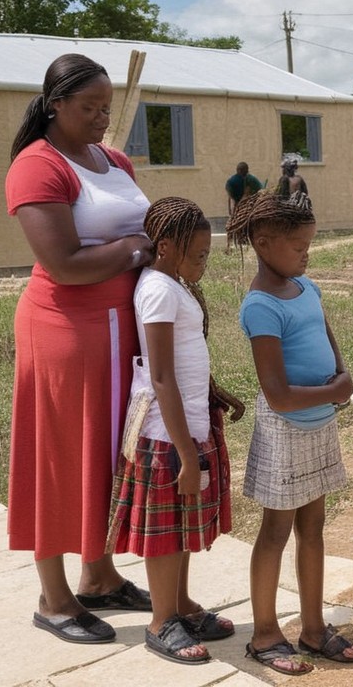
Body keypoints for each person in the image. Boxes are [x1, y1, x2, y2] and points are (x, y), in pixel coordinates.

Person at [6, 53, 154, 644]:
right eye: (89, 108)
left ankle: (99, 575)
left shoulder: (112, 160)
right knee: (60, 454)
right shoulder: (36, 166)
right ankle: (54, 595)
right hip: (65, 331)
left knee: (110, 449)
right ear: (56, 104)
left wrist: (141, 250)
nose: (101, 119)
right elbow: (63, 264)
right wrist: (139, 246)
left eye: (106, 108)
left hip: (123, 327)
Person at [227, 192, 353, 675]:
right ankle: (264, 635)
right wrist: (334, 391)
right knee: (275, 531)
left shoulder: (307, 288)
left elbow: (330, 344)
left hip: (320, 427)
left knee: (313, 529)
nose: (306, 254)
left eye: (309, 245)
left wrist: (342, 381)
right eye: (298, 246)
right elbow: (279, 395)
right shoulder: (260, 307)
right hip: (284, 432)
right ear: (263, 243)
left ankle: (311, 628)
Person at [107, 197, 239, 664]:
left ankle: (181, 604)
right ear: (165, 247)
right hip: (167, 434)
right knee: (165, 534)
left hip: (187, 424)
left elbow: (185, 360)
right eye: (198, 254)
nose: (204, 262)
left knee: (183, 524)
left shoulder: (172, 284)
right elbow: (161, 374)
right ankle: (162, 620)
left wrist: (213, 390)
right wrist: (185, 454)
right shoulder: (158, 290)